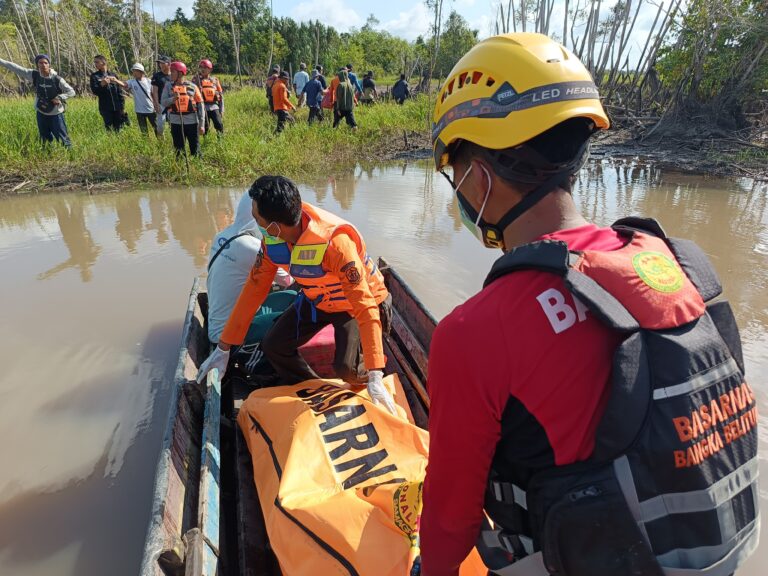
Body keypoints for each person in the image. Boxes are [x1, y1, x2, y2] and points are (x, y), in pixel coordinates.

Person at [421, 33, 759, 576]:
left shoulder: (475, 330)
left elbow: (448, 525)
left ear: (478, 176)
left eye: (454, 169)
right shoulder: (677, 260)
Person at [197, 175, 397, 415]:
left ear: (274, 226)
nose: (254, 221)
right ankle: (318, 390)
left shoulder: (336, 243)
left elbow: (364, 304)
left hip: (354, 304)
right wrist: (224, 347)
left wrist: (375, 372)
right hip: (318, 300)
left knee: (346, 369)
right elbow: (254, 288)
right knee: (274, 346)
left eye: (256, 216)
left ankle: (372, 381)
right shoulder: (272, 242)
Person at [207, 192, 294, 375]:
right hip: (228, 338)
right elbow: (289, 280)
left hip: (217, 325)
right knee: (294, 314)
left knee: (289, 298)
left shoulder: (221, 235)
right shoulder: (252, 246)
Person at [0, 54, 75, 147]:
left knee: (63, 139)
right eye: (40, 63)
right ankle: (47, 156)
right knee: (44, 138)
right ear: (37, 65)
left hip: (56, 114)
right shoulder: (33, 75)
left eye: (46, 63)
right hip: (41, 112)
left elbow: (71, 91)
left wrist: (59, 97)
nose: (43, 65)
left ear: (49, 65)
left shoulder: (57, 79)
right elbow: (15, 67)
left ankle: (71, 156)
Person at [160, 61, 205, 157]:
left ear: (180, 73)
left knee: (195, 148)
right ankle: (180, 169)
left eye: (173, 72)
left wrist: (202, 124)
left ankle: (197, 168)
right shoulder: (168, 86)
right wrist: (173, 99)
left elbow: (200, 105)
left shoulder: (193, 87)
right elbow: (163, 102)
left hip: (192, 122)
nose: (170, 73)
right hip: (175, 122)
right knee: (179, 149)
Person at [90, 55, 127, 131]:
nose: (95, 64)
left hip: (117, 107)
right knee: (109, 129)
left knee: (119, 129)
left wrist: (122, 107)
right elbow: (95, 91)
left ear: (103, 62)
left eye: (97, 62)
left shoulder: (113, 75)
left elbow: (119, 92)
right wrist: (101, 85)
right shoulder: (94, 76)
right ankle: (110, 142)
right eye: (94, 62)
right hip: (105, 108)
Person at [193, 59, 224, 137]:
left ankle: (220, 141)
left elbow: (220, 95)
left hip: (214, 106)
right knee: (205, 126)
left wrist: (221, 109)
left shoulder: (215, 80)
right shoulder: (196, 79)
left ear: (210, 69)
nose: (203, 69)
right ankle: (206, 141)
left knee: (219, 124)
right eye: (201, 67)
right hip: (202, 107)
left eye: (205, 67)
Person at [124, 63, 158, 136]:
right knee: (144, 131)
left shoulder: (149, 81)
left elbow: (154, 95)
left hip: (151, 110)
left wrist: (156, 105)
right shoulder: (132, 82)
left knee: (157, 128)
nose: (133, 73)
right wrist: (115, 80)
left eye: (135, 71)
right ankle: (146, 144)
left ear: (141, 71)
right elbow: (124, 85)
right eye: (133, 71)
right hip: (139, 111)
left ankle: (161, 144)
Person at [151, 56, 172, 136]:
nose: (161, 65)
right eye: (160, 63)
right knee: (160, 127)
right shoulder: (157, 76)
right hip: (161, 104)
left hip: (172, 104)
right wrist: (156, 104)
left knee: (173, 126)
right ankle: (161, 144)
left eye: (163, 63)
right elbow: (154, 91)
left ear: (169, 64)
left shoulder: (174, 75)